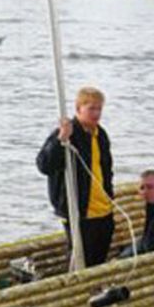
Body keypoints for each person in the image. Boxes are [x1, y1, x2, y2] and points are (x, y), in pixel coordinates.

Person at [36, 86, 114, 267]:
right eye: (91, 109)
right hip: (78, 211)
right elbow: (44, 165)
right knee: (81, 259)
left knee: (99, 259)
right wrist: (61, 140)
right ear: (79, 109)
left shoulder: (100, 134)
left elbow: (106, 170)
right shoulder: (67, 134)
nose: (96, 113)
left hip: (103, 209)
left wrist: (109, 196)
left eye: (99, 109)